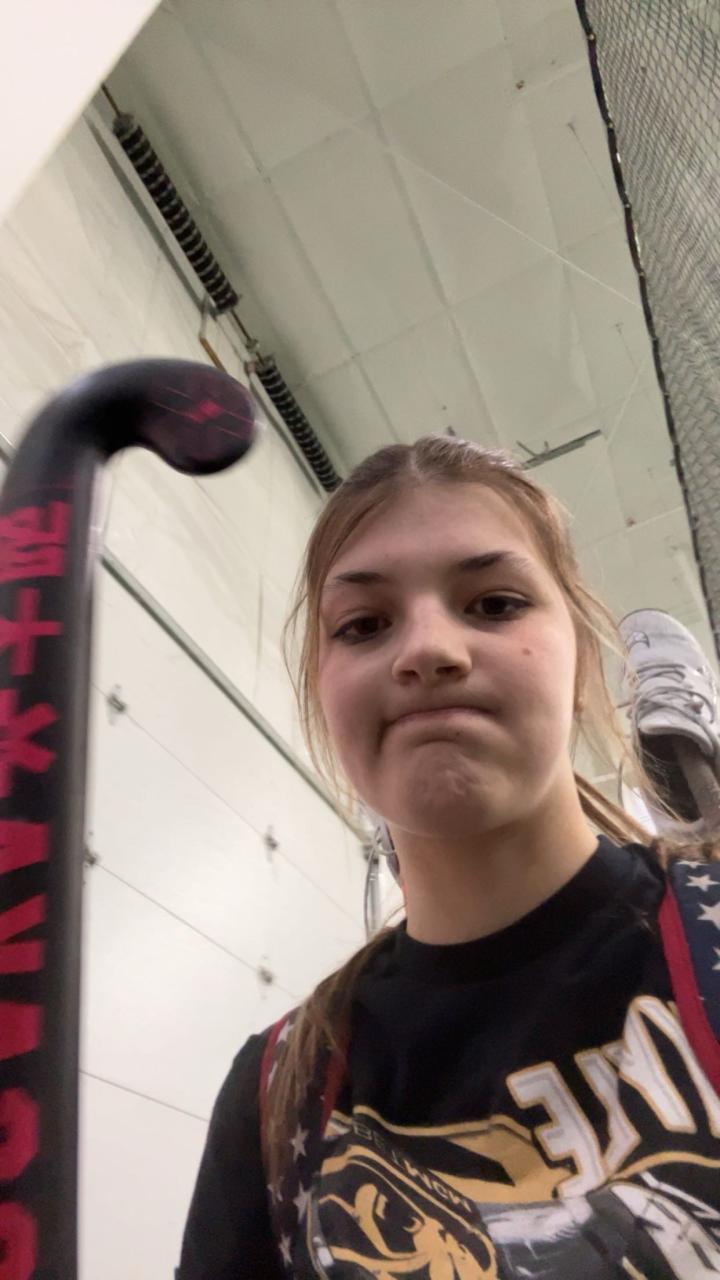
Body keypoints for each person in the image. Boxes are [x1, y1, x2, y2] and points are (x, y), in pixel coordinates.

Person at [178, 436, 720, 1279]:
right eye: (364, 625)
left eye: (495, 604)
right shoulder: (276, 1096)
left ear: (581, 655)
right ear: (321, 690)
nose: (428, 649)